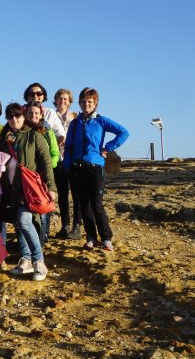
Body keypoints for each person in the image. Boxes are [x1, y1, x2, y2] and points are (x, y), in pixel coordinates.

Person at [63, 88, 129, 251]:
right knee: (84, 204)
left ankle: (106, 238)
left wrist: (108, 147)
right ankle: (91, 237)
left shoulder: (101, 121)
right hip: (77, 168)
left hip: (95, 167)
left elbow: (124, 132)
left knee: (97, 204)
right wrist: (67, 167)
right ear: (79, 103)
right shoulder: (75, 123)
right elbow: (69, 146)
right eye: (84, 101)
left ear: (95, 104)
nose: (86, 104)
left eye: (90, 102)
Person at [0, 103, 55, 282]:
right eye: (10, 117)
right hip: (11, 190)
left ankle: (39, 261)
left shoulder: (34, 136)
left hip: (29, 190)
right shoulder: (5, 138)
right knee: (18, 223)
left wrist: (51, 187)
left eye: (17, 116)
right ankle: (26, 258)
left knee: (24, 221)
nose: (14, 119)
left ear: (23, 117)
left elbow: (46, 162)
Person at [26, 101, 60, 243]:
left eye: (36, 113)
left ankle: (42, 238)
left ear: (41, 115)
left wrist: (44, 167)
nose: (33, 115)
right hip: (28, 177)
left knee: (44, 210)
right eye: (30, 113)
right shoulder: (22, 131)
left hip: (43, 175)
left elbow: (55, 153)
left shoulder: (47, 131)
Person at [52, 89, 80, 239]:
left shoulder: (75, 117)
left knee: (76, 194)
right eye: (60, 98)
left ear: (70, 102)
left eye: (66, 99)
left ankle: (77, 226)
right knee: (62, 194)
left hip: (73, 159)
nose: (63, 101)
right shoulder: (50, 115)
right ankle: (65, 225)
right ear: (55, 100)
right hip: (58, 160)